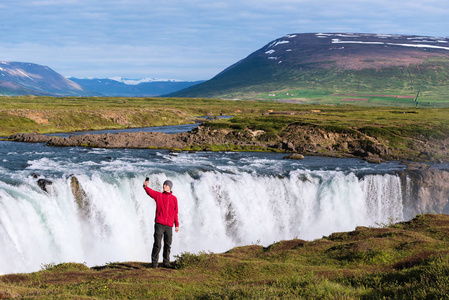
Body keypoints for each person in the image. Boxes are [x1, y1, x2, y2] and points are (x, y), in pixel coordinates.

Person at [143, 178, 179, 268]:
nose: (164, 186)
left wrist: (177, 225)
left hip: (169, 226)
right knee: (157, 244)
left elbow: (175, 213)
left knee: (167, 245)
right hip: (159, 224)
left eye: (166, 185)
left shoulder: (174, 199)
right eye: (164, 184)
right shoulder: (159, 195)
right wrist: (145, 186)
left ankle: (166, 263)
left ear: (169, 187)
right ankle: (154, 264)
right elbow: (150, 192)